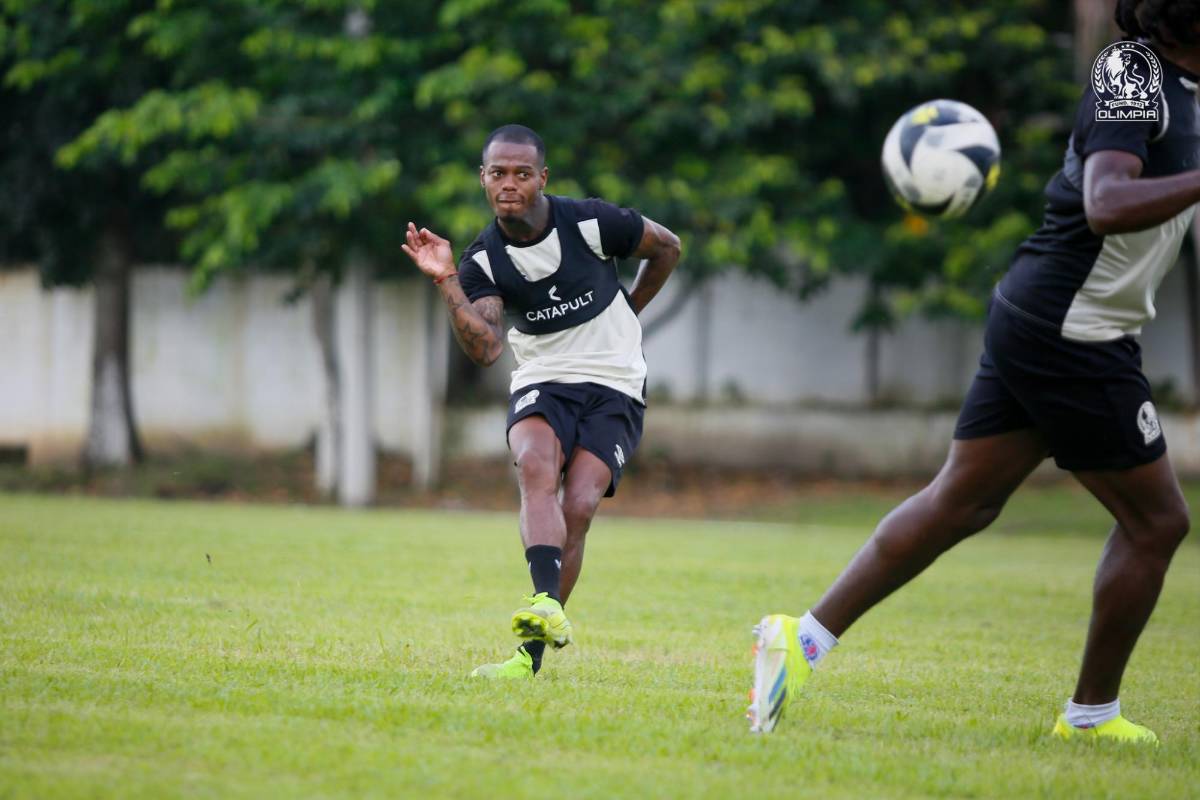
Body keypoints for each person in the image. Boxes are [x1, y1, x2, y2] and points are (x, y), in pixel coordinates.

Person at [749, 0, 1198, 742]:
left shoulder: (1184, 88)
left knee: (961, 502)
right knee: (1158, 522)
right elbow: (1106, 203)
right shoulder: (1131, 69)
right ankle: (1089, 717)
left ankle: (796, 643)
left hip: (1056, 321)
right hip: (1070, 329)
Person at [402, 124, 681, 679]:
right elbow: (485, 349)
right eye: (498, 173)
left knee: (578, 505)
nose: (510, 184)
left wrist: (630, 308)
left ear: (541, 178)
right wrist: (446, 279)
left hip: (615, 381)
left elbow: (668, 247)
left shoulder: (593, 222)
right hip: (545, 376)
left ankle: (527, 659)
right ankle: (546, 604)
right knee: (534, 465)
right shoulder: (484, 260)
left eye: (522, 173)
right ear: (483, 179)